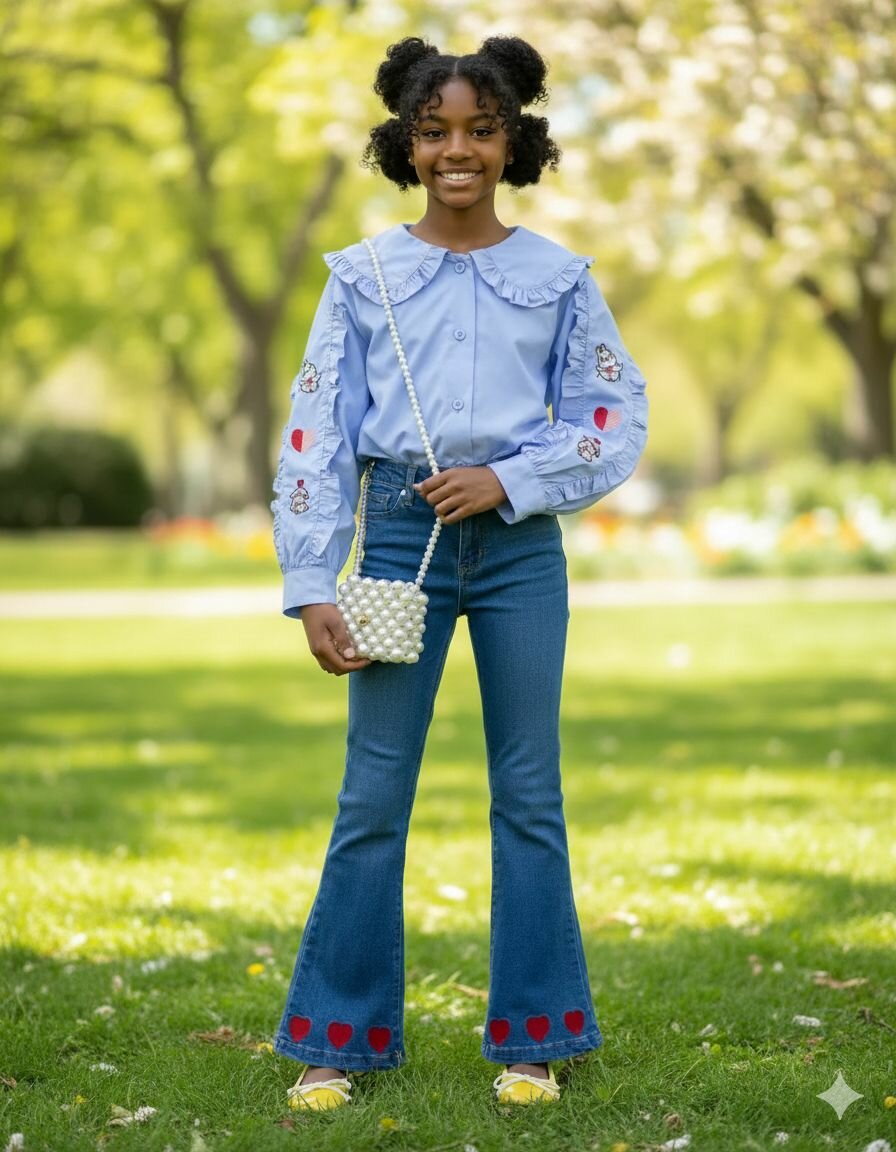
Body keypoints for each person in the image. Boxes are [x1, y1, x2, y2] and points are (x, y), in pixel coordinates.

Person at [269, 33, 649, 1111]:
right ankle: (338, 1041)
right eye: (434, 131)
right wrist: (311, 582)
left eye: (481, 130)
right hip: (399, 541)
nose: (457, 151)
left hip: (519, 551)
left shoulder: (558, 277)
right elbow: (315, 433)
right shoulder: (362, 277)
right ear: (405, 142)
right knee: (373, 792)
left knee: (527, 793)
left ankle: (534, 1039)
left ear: (514, 141)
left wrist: (511, 479)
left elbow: (613, 418)